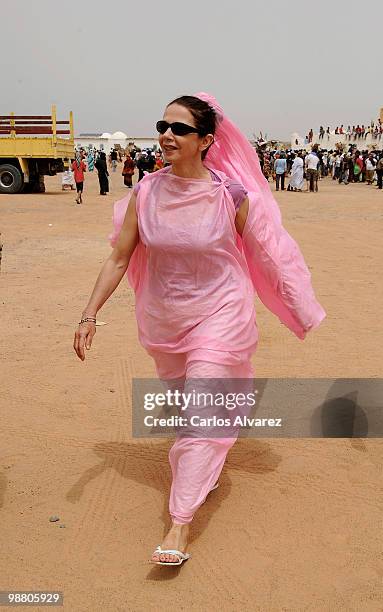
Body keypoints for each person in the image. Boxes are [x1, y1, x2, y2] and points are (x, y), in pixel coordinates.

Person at [73, 93, 325, 567]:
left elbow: (267, 254)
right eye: (162, 125)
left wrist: (298, 304)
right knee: (188, 411)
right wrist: (88, 315)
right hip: (165, 318)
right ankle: (203, 467)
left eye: (179, 128)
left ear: (206, 140)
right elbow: (119, 257)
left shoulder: (229, 194)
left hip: (222, 312)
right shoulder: (145, 192)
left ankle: (179, 523)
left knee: (203, 414)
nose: (166, 135)